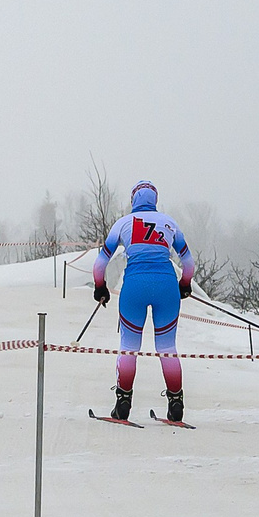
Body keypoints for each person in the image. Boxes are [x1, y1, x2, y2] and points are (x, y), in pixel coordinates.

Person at [93, 179, 195, 423]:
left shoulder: (123, 223)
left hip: (135, 287)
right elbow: (189, 264)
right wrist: (184, 284)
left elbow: (100, 264)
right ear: (155, 201)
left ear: (133, 200)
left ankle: (123, 402)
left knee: (129, 345)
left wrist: (100, 287)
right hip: (166, 286)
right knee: (167, 347)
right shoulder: (169, 223)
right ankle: (176, 402)